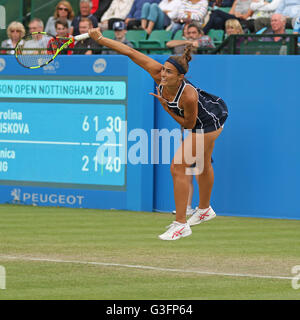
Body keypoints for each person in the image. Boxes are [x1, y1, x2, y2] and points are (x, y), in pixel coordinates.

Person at [88, 27, 228, 240]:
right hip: (200, 119)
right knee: (203, 163)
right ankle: (205, 209)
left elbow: (189, 125)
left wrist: (165, 108)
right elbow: (131, 52)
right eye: (163, 69)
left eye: (169, 72)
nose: (163, 74)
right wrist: (100, 39)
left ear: (181, 77)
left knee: (178, 166)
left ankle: (181, 224)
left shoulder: (187, 97)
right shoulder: (157, 74)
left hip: (209, 121)